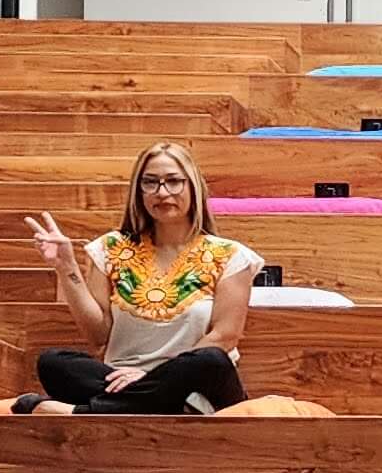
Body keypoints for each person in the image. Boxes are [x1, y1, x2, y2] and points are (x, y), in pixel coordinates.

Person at [15, 141, 256, 414]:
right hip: (122, 379)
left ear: (193, 187)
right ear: (138, 191)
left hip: (196, 386)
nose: (162, 192)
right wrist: (66, 267)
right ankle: (135, 405)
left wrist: (152, 375)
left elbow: (225, 336)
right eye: (150, 182)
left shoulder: (230, 254)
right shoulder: (110, 248)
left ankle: (82, 413)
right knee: (53, 362)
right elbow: (98, 336)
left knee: (211, 360)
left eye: (174, 181)